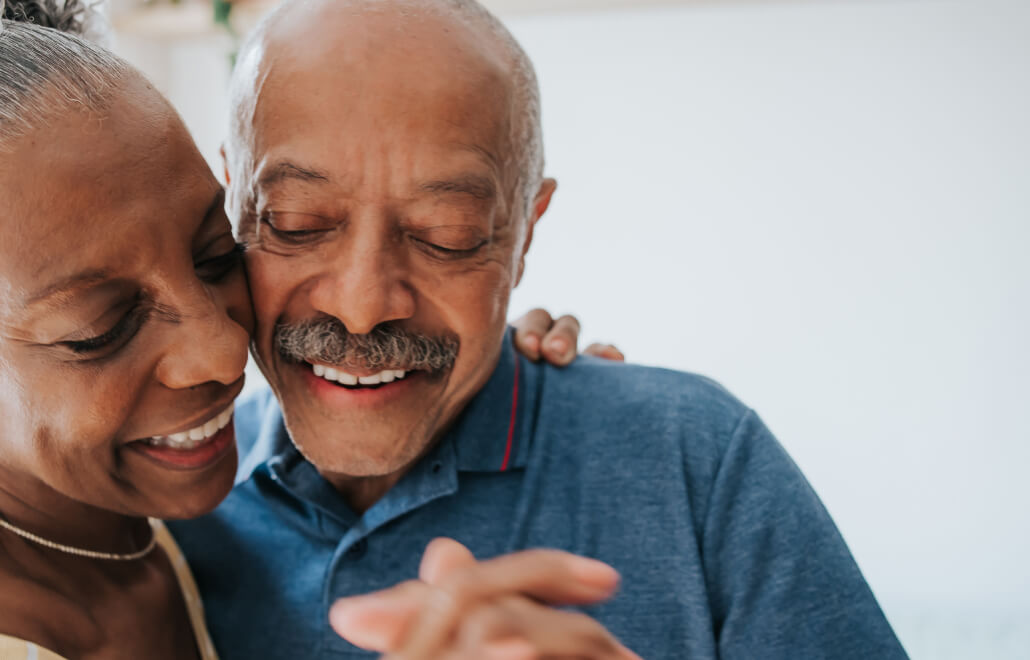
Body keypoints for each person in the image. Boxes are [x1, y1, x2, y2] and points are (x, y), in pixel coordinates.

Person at [0, 1, 608, 658]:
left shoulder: (38, 473)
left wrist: (471, 353)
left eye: (215, 252)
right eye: (98, 328)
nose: (225, 354)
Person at [168, 1, 912, 658]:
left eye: (447, 234)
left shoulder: (696, 461)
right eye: (297, 224)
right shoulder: (167, 517)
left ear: (525, 231)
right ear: (234, 201)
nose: (362, 307)